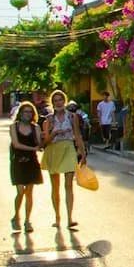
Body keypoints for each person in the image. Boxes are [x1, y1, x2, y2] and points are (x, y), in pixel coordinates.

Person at [43, 89, 88, 229]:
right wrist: (53, 131)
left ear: (65, 101)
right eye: (55, 100)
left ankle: (69, 218)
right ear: (53, 103)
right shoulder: (49, 119)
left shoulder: (72, 117)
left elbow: (77, 135)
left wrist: (83, 152)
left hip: (68, 148)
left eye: (60, 100)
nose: (58, 103)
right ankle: (57, 217)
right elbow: (45, 141)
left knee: (69, 184)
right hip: (53, 149)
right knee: (55, 186)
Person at [9, 102, 44, 236]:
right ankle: (16, 215)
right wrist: (33, 148)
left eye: (30, 112)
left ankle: (27, 220)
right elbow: (16, 144)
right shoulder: (14, 127)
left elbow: (39, 144)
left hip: (31, 161)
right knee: (20, 191)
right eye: (25, 112)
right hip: (18, 161)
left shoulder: (35, 127)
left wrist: (44, 136)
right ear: (20, 113)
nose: (27, 114)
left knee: (29, 191)